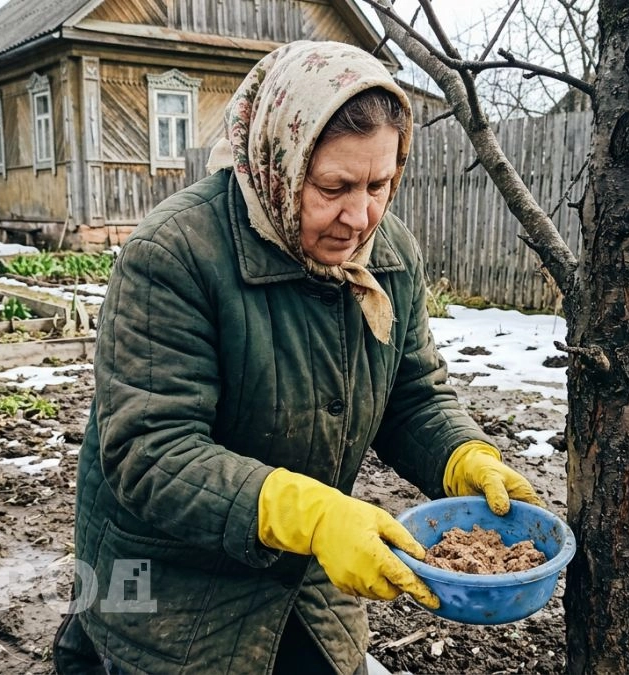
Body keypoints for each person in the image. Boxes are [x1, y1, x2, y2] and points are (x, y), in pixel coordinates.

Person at [53, 40, 542, 675]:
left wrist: (461, 457)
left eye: (381, 184)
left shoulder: (387, 257)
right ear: (279, 164)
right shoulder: (174, 255)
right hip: (168, 588)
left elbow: (411, 395)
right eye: (334, 186)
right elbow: (148, 451)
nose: (360, 216)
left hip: (306, 582)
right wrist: (307, 515)